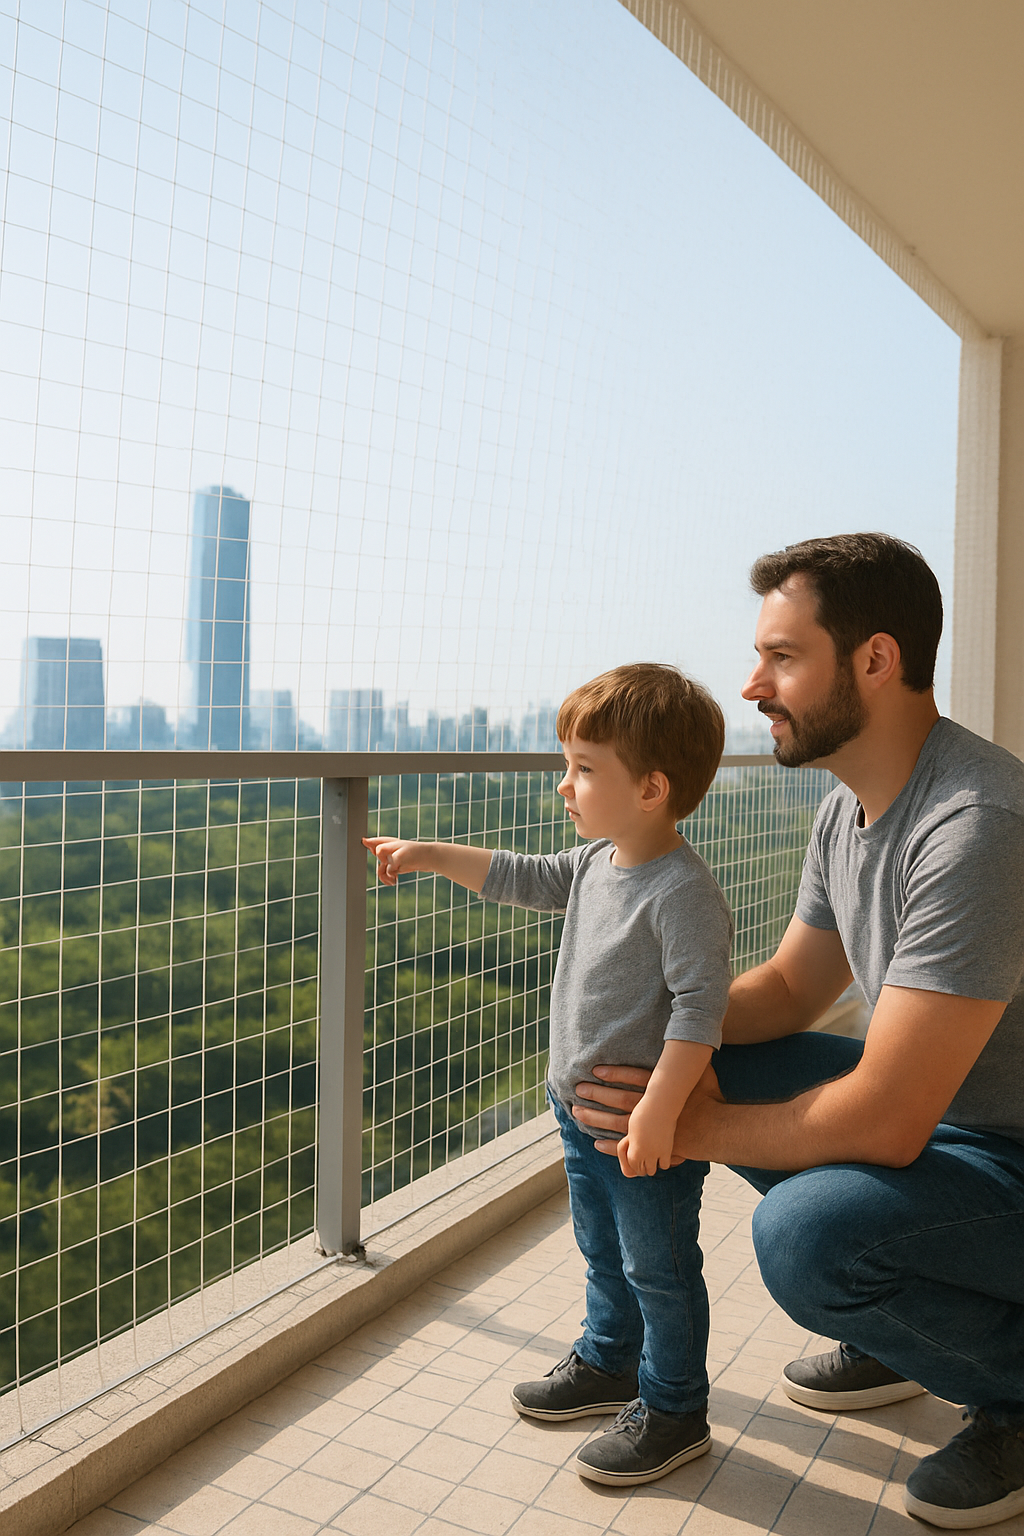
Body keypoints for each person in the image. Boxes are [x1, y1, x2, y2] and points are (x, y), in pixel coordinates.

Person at [573, 533, 1024, 1530]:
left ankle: (1012, 1393)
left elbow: (891, 1119)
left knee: (806, 1240)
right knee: (713, 1051)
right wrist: (653, 1033)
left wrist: (679, 1128)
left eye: (782, 657)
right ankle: (908, 1327)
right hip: (965, 1136)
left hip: (1005, 1155)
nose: (751, 685)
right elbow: (785, 989)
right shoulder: (847, 809)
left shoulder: (976, 821)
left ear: (874, 659)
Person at [364, 663, 732, 1486]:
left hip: (641, 1129)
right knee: (603, 1250)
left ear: (652, 788)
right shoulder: (602, 859)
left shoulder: (681, 892)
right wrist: (428, 853)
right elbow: (523, 875)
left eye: (584, 768)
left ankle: (676, 1408)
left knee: (661, 1268)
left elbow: (699, 1015)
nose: (564, 784)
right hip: (577, 1114)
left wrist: (657, 1116)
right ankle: (610, 1362)